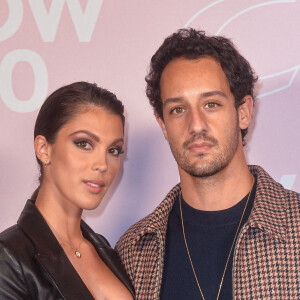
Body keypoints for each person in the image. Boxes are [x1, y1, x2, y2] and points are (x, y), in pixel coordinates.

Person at [116, 29, 300, 299]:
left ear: (244, 112)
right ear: (163, 125)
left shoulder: (295, 227)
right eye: (178, 109)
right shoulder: (134, 251)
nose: (196, 125)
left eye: (211, 104)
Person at [0, 82, 135, 299]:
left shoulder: (107, 251)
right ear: (44, 149)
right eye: (84, 144)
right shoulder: (9, 257)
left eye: (113, 150)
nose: (102, 164)